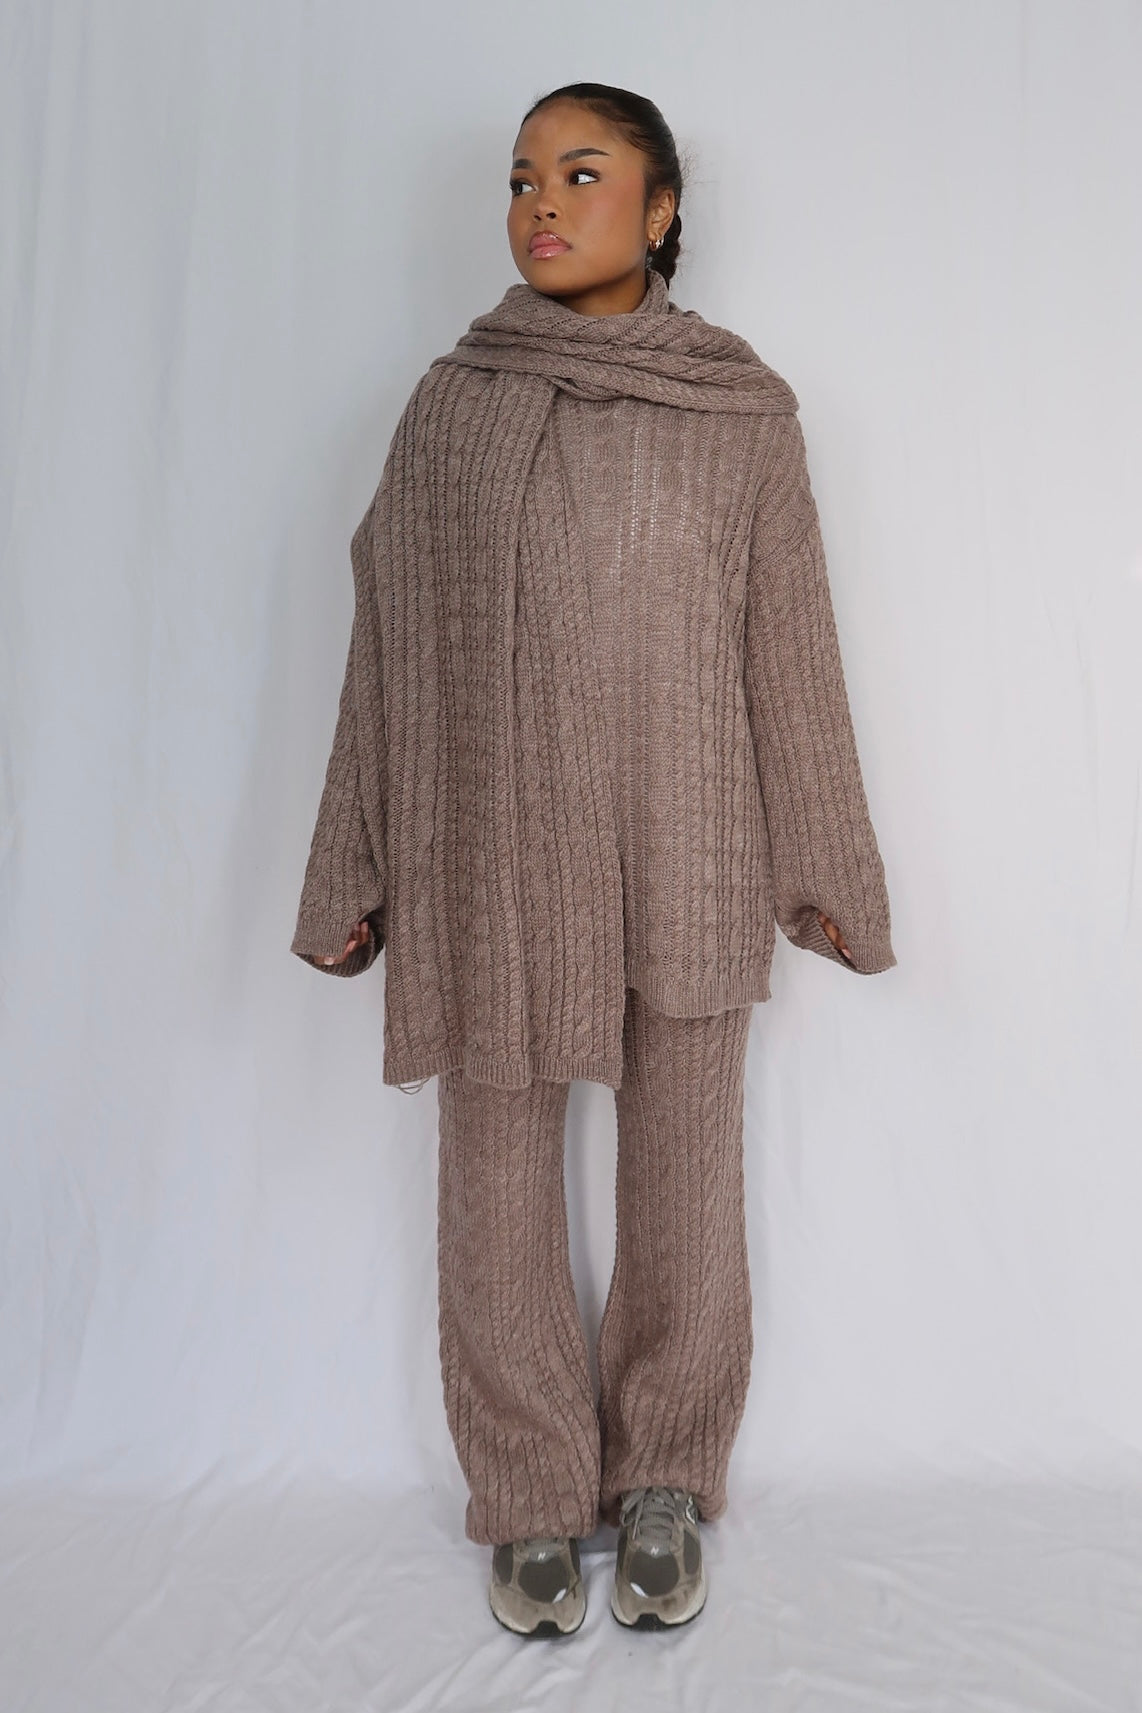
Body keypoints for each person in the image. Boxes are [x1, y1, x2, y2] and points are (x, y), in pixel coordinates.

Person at [290, 82, 896, 1638]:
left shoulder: (739, 414)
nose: (539, 207)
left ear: (662, 207)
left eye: (577, 174)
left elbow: (788, 644)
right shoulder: (451, 406)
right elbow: (387, 646)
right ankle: (528, 1493)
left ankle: (666, 1476)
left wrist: (825, 859)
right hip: (490, 849)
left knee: (685, 1165)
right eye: (519, 180)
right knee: (494, 1170)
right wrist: (353, 862)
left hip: (687, 837)